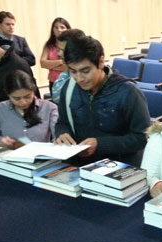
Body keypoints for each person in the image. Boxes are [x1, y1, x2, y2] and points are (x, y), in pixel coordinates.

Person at [55, 36, 150, 166]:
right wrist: (62, 133)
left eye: (85, 71)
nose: (79, 78)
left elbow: (142, 137)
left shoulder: (128, 92)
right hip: (80, 166)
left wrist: (100, 144)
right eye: (73, 71)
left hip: (118, 169)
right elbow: (62, 122)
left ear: (101, 62)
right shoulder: (69, 88)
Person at [0, 70, 58, 148]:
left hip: (41, 156)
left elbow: (58, 136)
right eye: (16, 98)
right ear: (8, 95)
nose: (23, 102)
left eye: (27, 97)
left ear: (33, 91)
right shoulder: (0, 109)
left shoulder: (49, 108)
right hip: (10, 157)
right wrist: (0, 141)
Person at [50, 29, 86, 103]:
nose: (59, 54)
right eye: (59, 49)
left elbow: (58, 97)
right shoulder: (68, 70)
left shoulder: (82, 75)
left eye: (63, 50)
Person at [40, 17, 71, 93]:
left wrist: (51, 66)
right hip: (53, 81)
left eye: (62, 27)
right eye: (56, 28)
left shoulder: (70, 44)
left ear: (68, 29)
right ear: (53, 31)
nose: (59, 30)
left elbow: (68, 67)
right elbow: (43, 63)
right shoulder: (48, 45)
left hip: (68, 80)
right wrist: (61, 62)